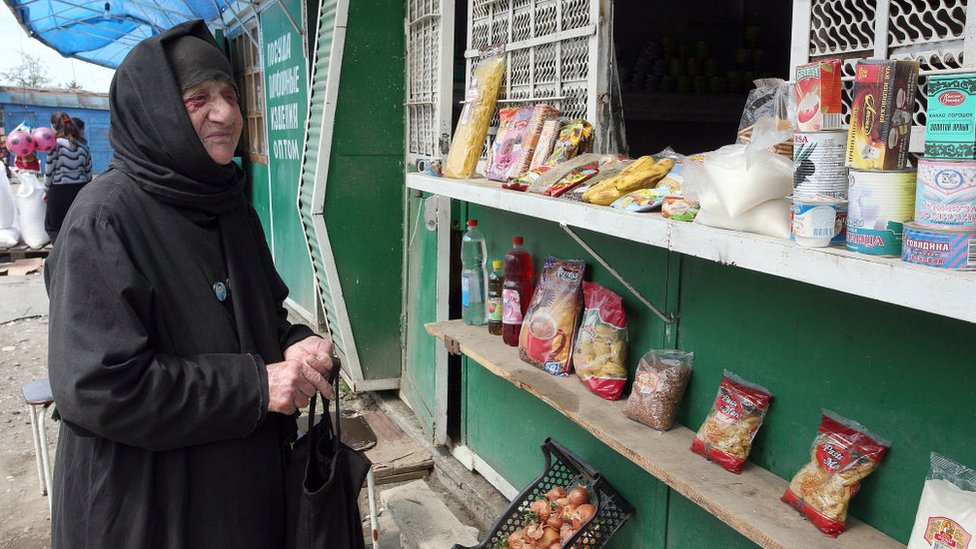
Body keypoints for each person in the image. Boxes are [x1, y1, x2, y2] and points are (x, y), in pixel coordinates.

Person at [45, 20, 335, 549]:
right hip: (147, 509)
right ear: (154, 111)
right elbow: (101, 388)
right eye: (199, 99)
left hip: (238, 503)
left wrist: (297, 345)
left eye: (231, 95)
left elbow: (263, 318)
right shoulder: (104, 220)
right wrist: (255, 386)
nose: (226, 113)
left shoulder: (229, 206)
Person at [43, 112, 92, 244]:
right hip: (80, 190)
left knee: (54, 228)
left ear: (54, 126)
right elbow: (88, 173)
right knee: (74, 225)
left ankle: (59, 254)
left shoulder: (55, 145)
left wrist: (46, 190)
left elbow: (49, 170)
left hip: (59, 190)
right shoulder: (83, 145)